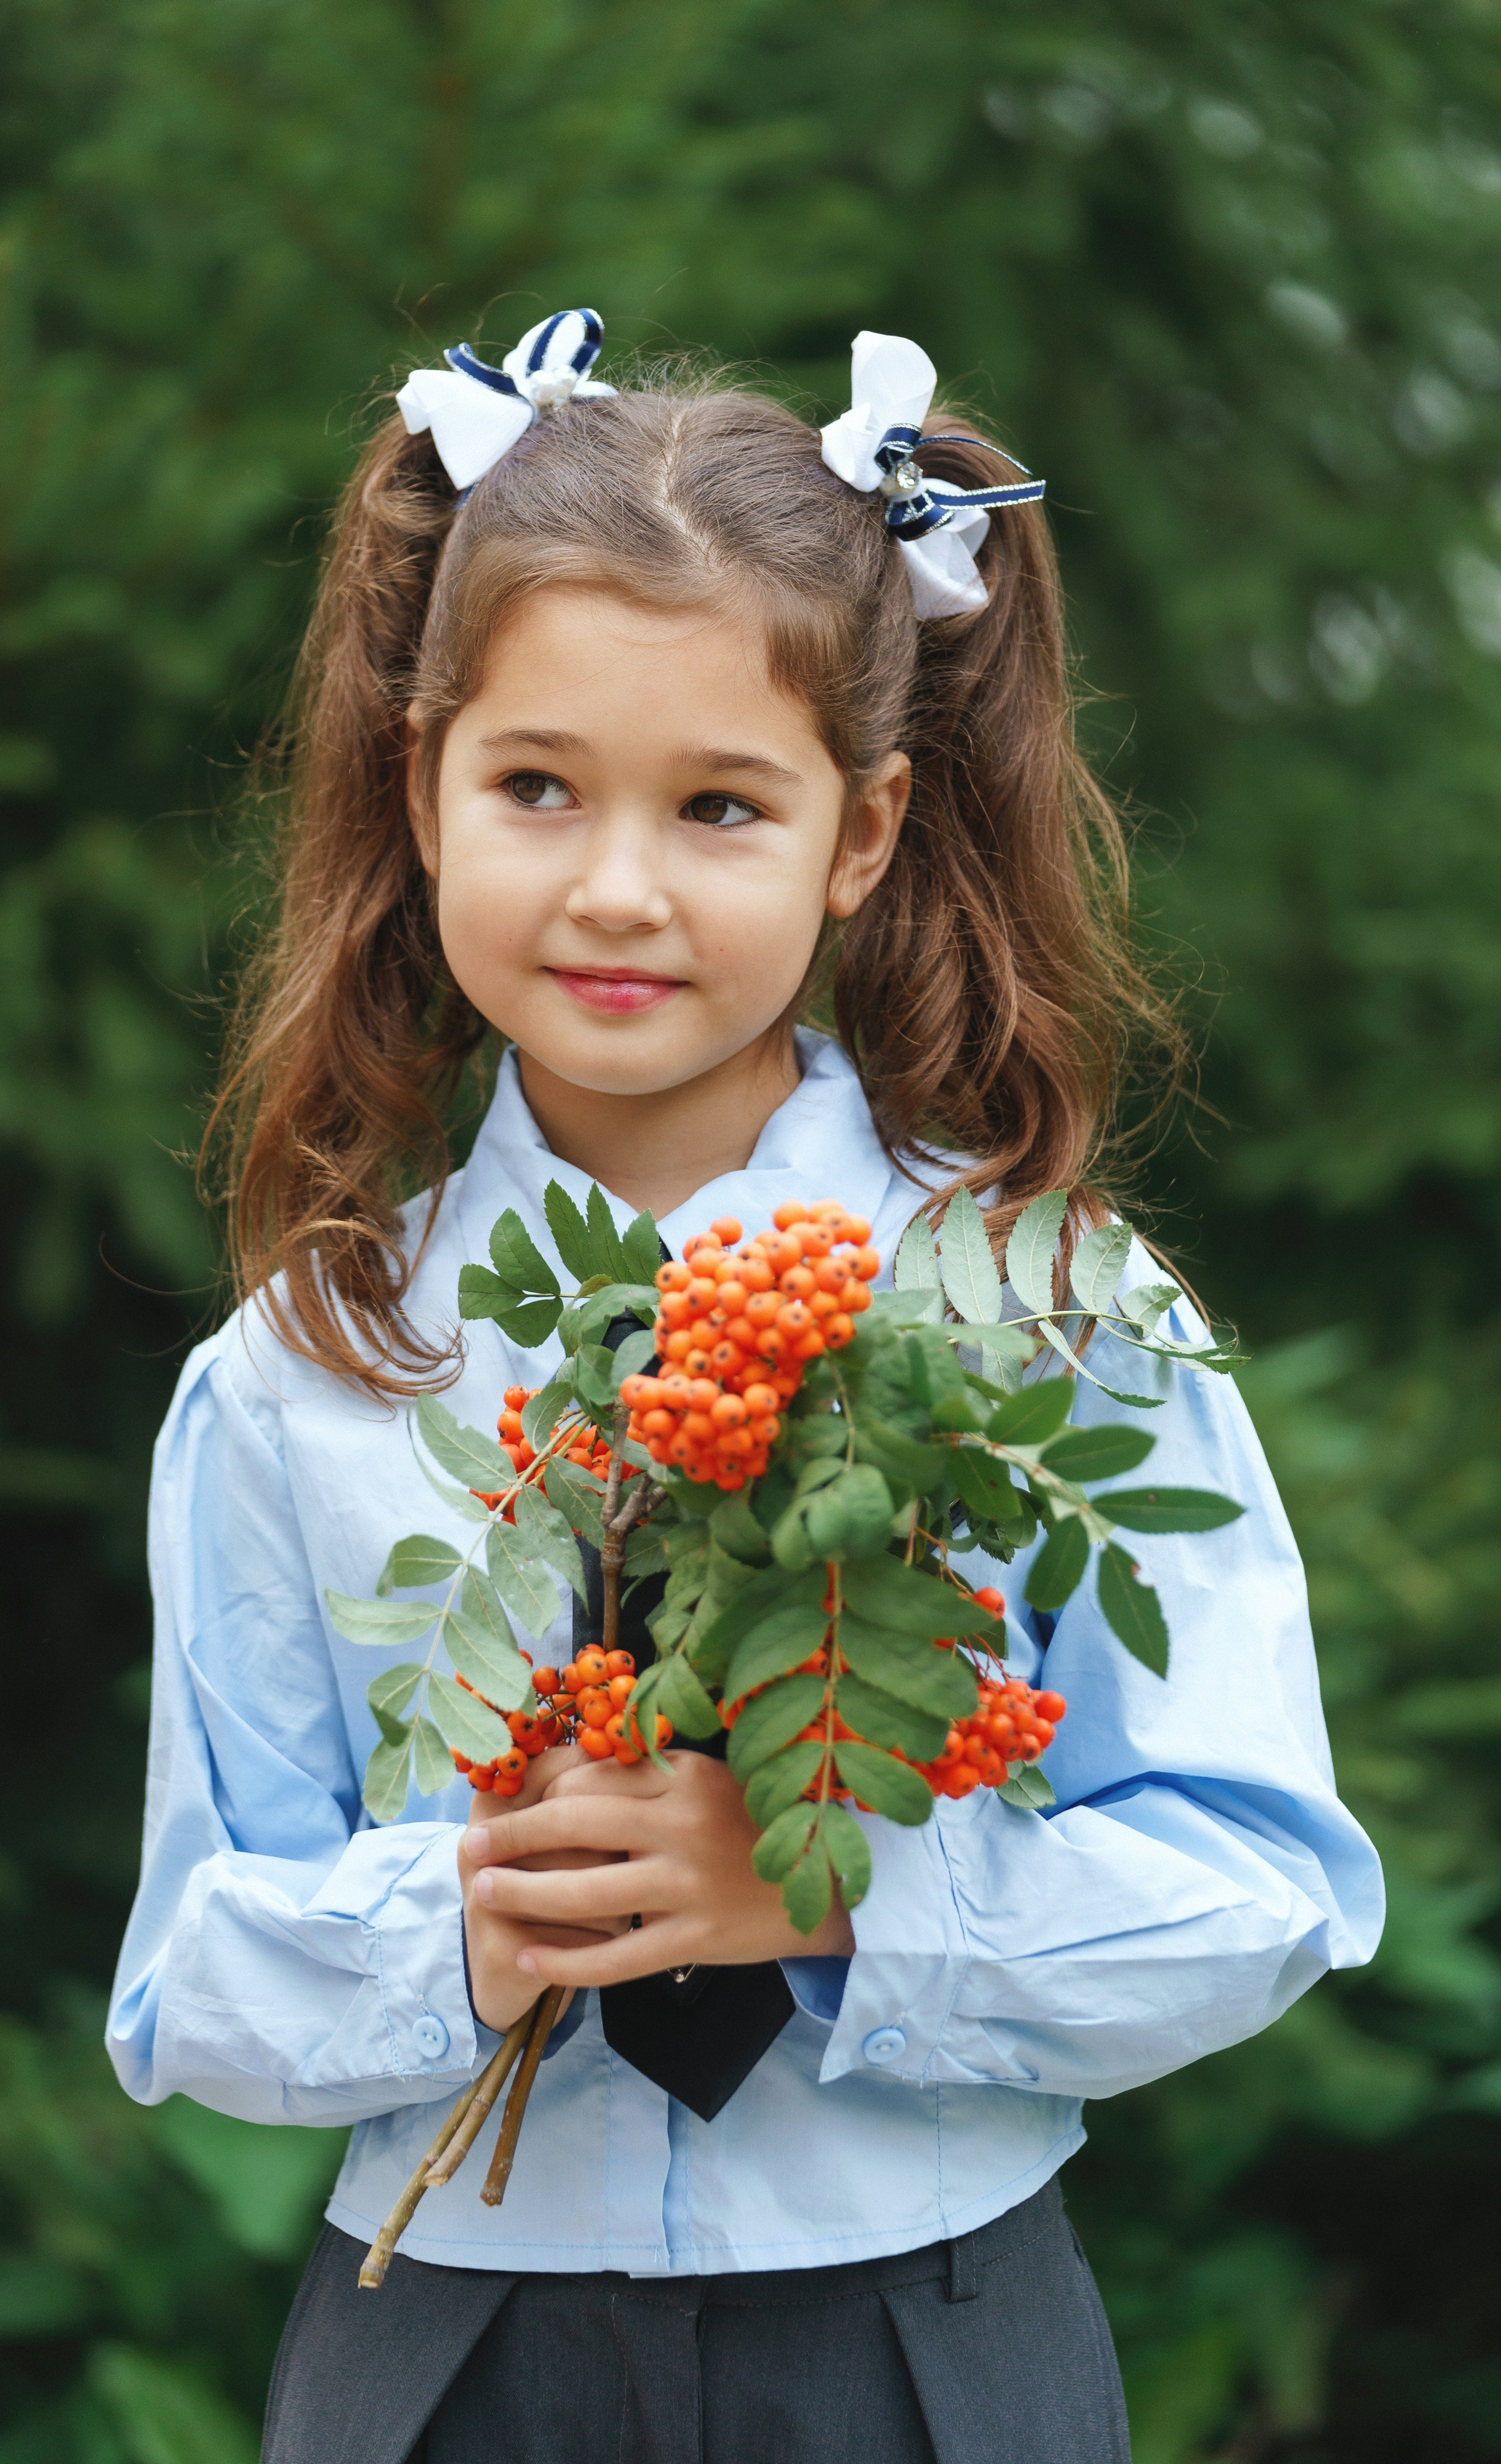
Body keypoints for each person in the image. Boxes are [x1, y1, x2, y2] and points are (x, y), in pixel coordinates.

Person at [105, 311, 1384, 2464]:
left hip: (926, 2338)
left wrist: (842, 1893)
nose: (619, 887)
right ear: (423, 785)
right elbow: (185, 1989)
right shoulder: (308, 1370)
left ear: (862, 834)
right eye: (536, 787)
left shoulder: (1045, 1314)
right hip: (448, 2344)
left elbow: (1266, 1883)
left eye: (720, 806)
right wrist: (473, 1921)